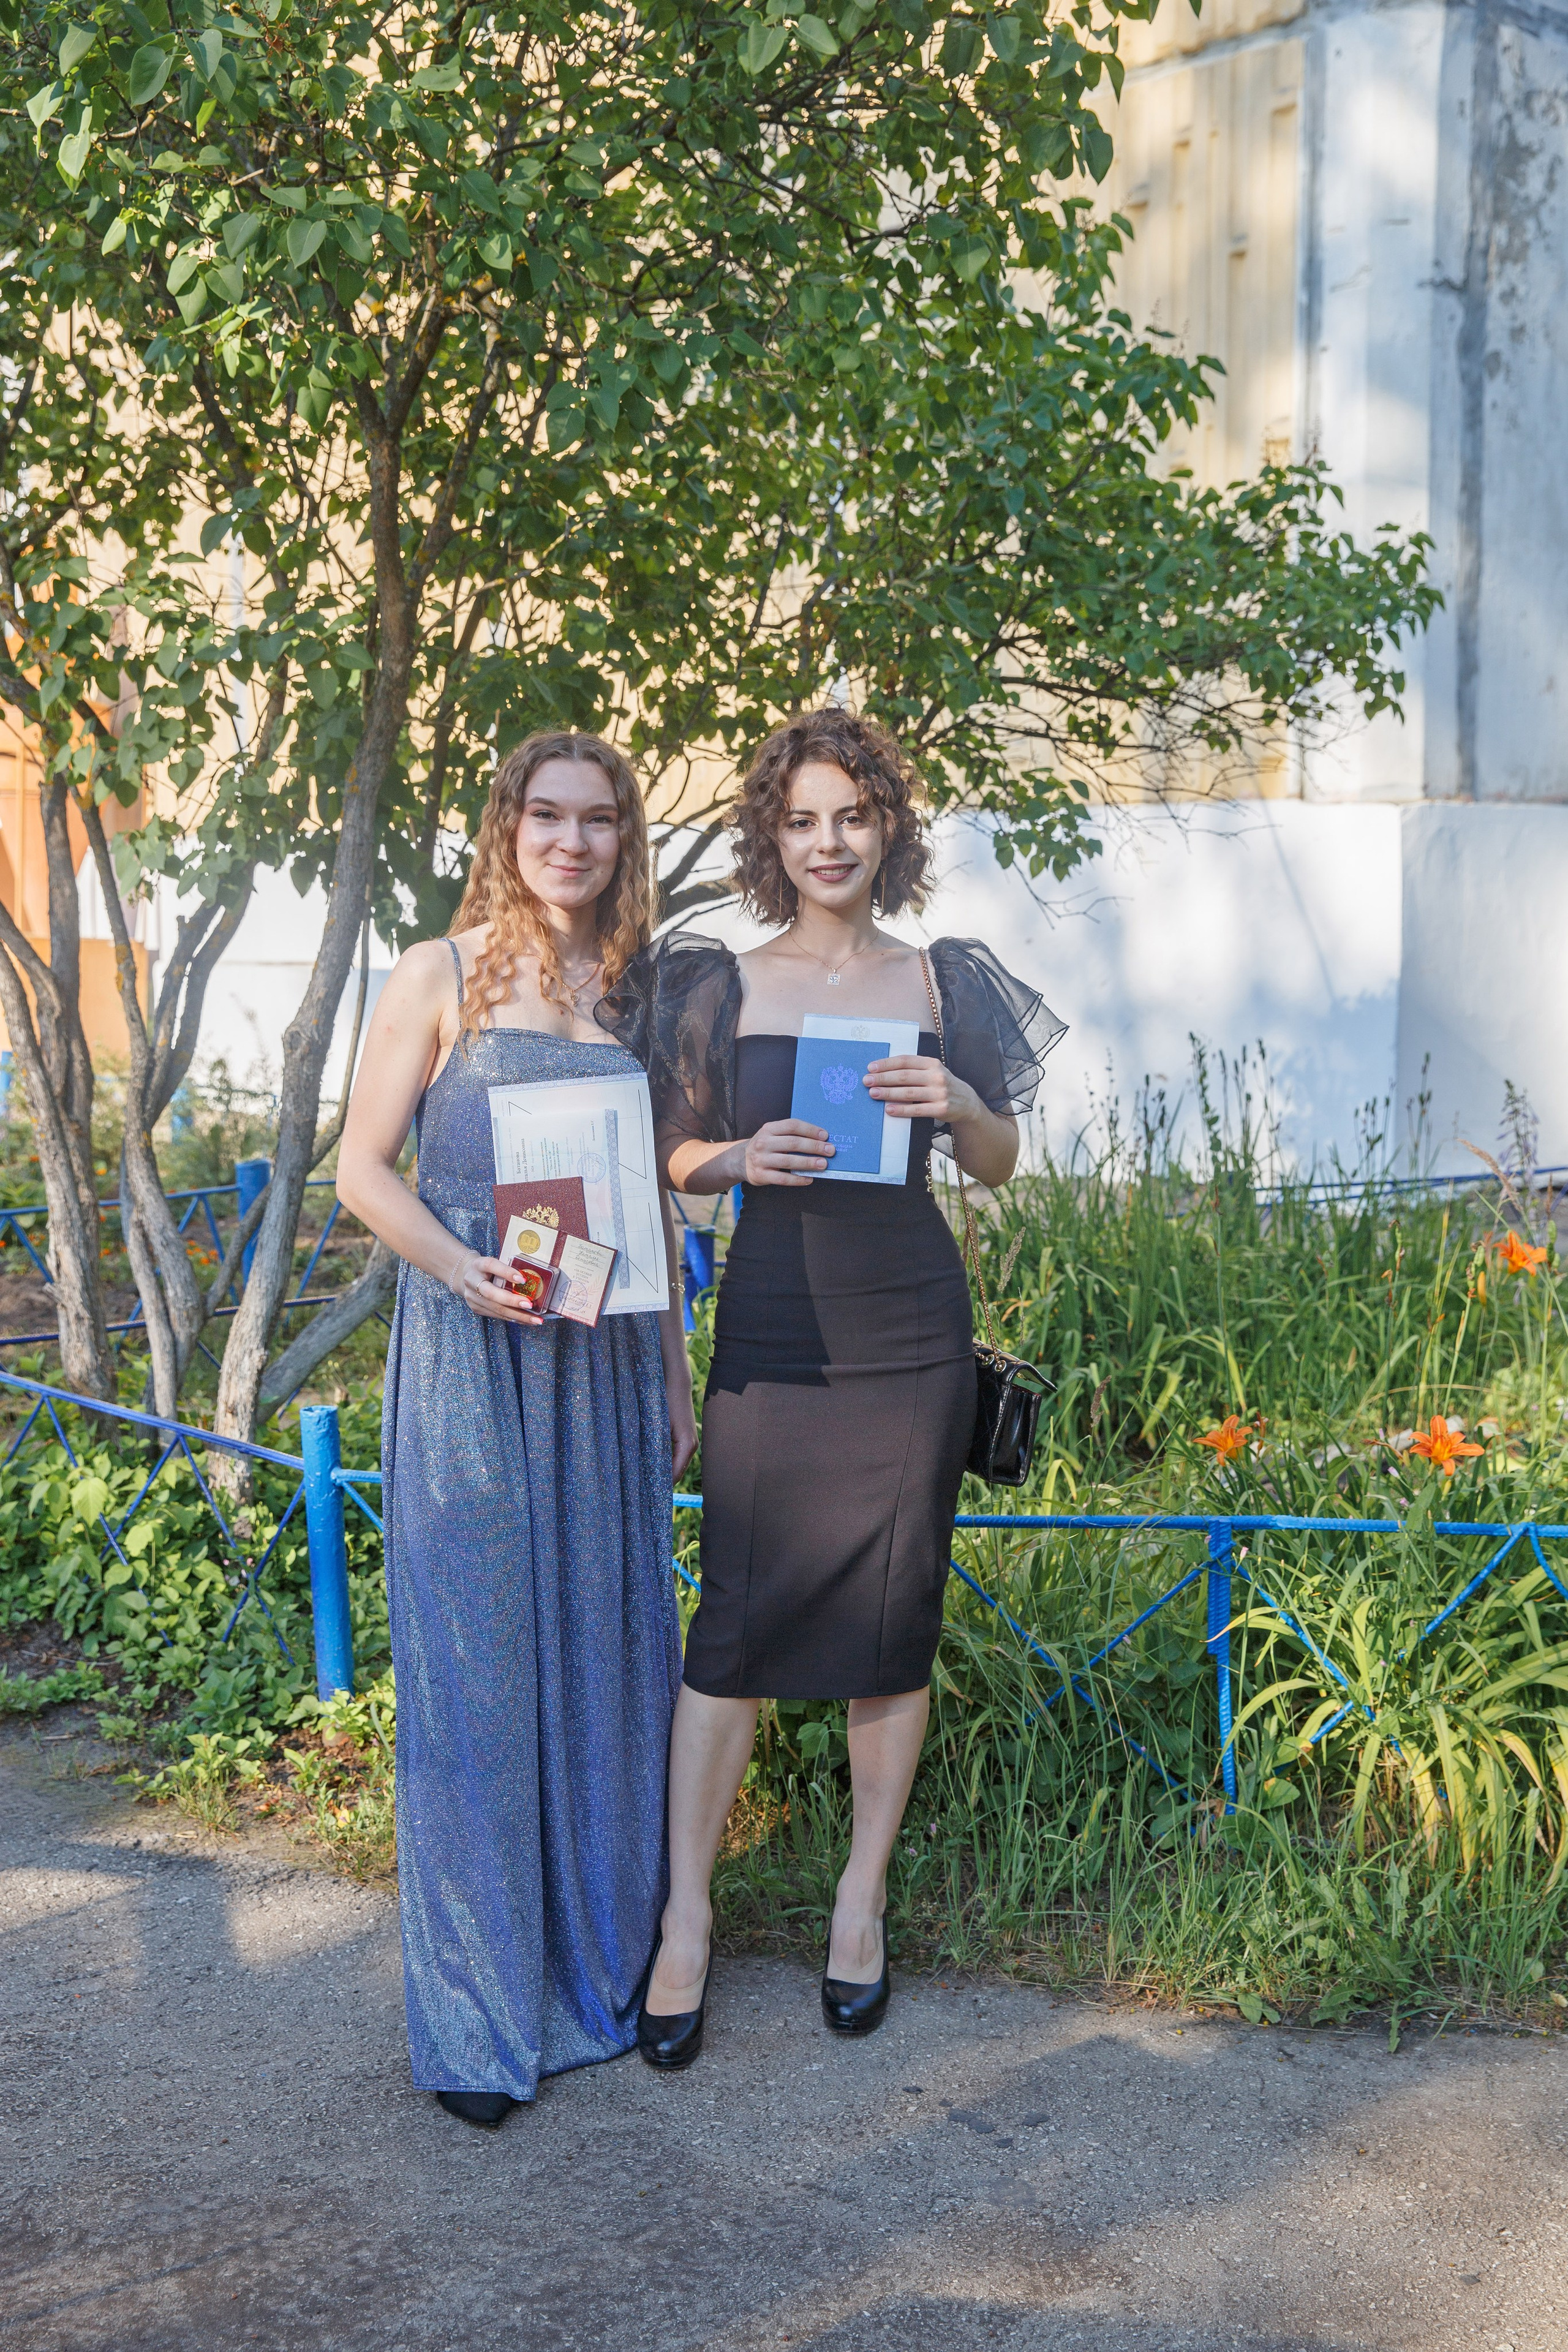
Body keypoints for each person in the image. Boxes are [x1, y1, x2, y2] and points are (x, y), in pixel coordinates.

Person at [598, 707, 1062, 2067]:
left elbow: (999, 1162)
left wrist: (955, 1106)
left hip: (910, 1328)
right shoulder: (715, 983)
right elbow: (668, 1156)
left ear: (886, 829)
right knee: (731, 1621)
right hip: (776, 1326)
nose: (825, 842)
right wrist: (738, 1159)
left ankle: (858, 1902)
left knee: (889, 1613)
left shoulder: (938, 981)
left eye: (848, 816)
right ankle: (686, 1921)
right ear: (770, 836)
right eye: (800, 820)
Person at [337, 730, 696, 2131]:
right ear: (508, 825)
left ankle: (599, 1979)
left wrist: (671, 1378)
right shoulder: (440, 971)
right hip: (474, 1357)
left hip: (604, 1365)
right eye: (546, 815)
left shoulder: (638, 988)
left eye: (596, 820)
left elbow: (652, 1207)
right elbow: (362, 1169)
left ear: (622, 840)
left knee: (610, 1659)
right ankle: (479, 2023)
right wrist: (454, 1264)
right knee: (480, 1674)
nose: (570, 840)